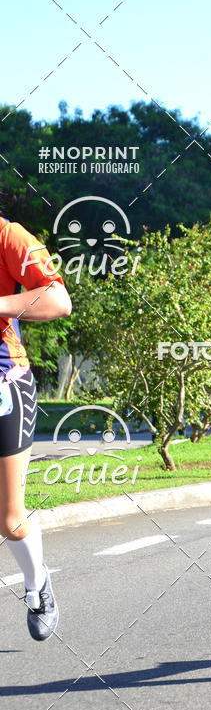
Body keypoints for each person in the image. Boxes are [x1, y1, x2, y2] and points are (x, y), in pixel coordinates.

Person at [0, 217, 71, 640]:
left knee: (9, 519)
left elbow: (58, 300)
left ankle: (37, 586)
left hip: (5, 385)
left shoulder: (8, 236)